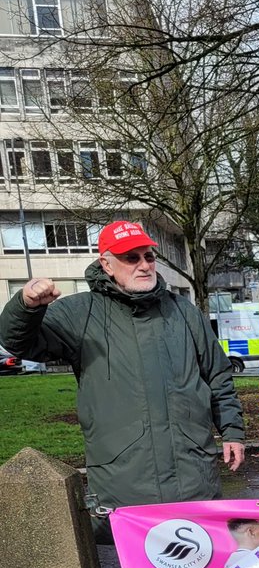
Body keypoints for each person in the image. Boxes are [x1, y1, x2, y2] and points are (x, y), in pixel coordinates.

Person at [0, 220, 244, 537]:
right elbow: (18, 342)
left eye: (148, 257)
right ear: (107, 264)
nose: (144, 265)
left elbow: (218, 376)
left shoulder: (183, 312)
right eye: (131, 258)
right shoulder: (79, 313)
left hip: (192, 474)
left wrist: (233, 429)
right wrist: (26, 306)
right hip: (125, 479)